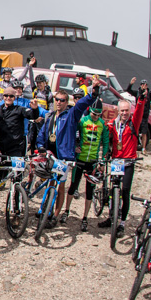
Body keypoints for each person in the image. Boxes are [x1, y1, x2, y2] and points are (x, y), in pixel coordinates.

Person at [36, 79, 101, 223]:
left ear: (66, 102)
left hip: (64, 157)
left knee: (60, 186)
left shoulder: (71, 115)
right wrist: (40, 146)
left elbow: (81, 105)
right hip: (50, 155)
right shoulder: (50, 116)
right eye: (57, 99)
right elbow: (42, 134)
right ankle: (46, 208)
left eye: (62, 100)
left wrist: (92, 94)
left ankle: (56, 215)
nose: (59, 102)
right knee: (50, 183)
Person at [62, 99, 111, 230]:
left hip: (93, 162)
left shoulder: (102, 124)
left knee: (90, 191)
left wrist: (102, 159)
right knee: (73, 186)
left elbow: (105, 142)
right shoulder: (83, 121)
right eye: (94, 114)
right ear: (90, 111)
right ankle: (66, 211)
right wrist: (75, 146)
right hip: (80, 159)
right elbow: (73, 134)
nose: (96, 117)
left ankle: (85, 217)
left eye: (99, 115)